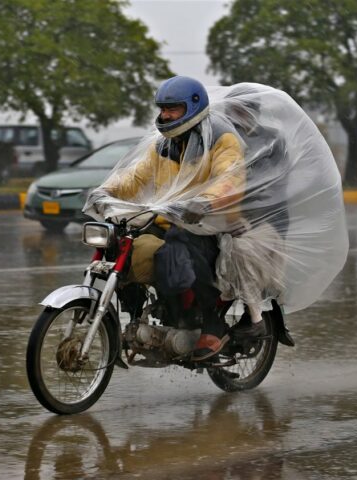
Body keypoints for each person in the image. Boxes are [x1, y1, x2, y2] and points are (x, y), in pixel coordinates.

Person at [87, 75, 246, 361]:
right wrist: (105, 191)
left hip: (210, 225)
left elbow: (230, 178)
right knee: (123, 243)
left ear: (193, 107)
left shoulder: (221, 139)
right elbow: (135, 177)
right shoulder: (164, 145)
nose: (165, 115)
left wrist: (205, 202)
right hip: (171, 220)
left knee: (176, 244)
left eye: (173, 108)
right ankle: (146, 316)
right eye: (162, 108)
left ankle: (212, 322)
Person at [216, 85, 290, 339]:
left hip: (267, 220)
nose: (237, 115)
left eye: (242, 109)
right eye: (232, 110)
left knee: (242, 249)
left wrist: (245, 216)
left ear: (254, 112)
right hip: (221, 216)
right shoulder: (220, 139)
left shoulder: (271, 140)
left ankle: (256, 317)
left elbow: (273, 186)